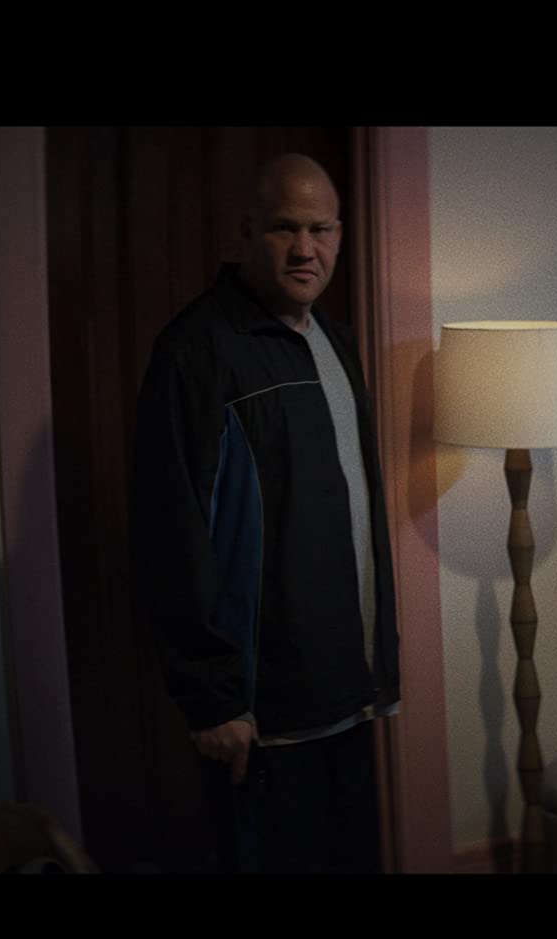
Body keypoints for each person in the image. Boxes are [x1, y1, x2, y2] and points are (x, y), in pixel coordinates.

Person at [130, 153, 399, 874]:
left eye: (321, 229)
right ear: (246, 233)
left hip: (349, 695)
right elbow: (169, 533)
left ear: (339, 236)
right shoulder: (196, 352)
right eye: (284, 228)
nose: (305, 249)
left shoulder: (337, 343)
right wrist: (212, 699)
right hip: (263, 715)